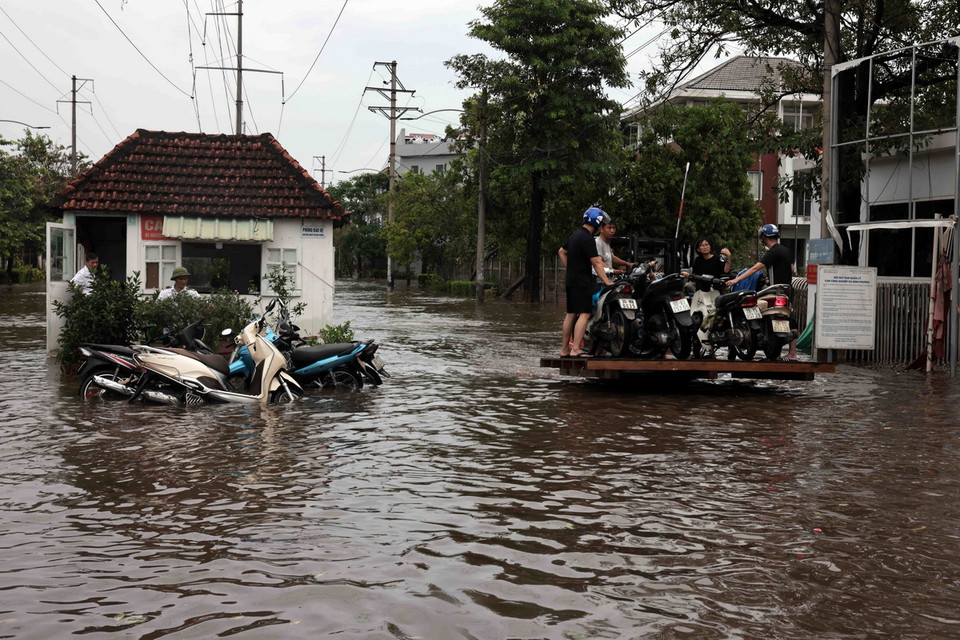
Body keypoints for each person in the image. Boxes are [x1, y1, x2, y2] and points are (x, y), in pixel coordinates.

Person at [726, 224, 798, 361]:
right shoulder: (786, 251)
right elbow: (792, 269)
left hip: (775, 290)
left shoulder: (773, 252)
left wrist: (736, 281)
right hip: (786, 290)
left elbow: (755, 269)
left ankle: (764, 345)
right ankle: (792, 353)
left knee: (757, 311)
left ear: (764, 237)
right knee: (789, 319)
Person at [558, 207, 614, 357]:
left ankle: (564, 350)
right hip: (582, 281)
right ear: (596, 223)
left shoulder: (576, 235)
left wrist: (570, 268)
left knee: (571, 314)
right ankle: (576, 349)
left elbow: (561, 252)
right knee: (585, 313)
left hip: (571, 280)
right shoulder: (587, 238)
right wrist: (608, 283)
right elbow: (596, 262)